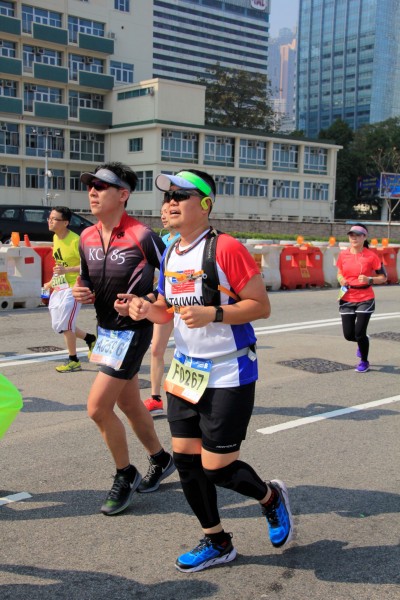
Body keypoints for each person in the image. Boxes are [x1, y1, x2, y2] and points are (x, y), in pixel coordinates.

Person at [127, 169, 293, 572]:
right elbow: (167, 308)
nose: (169, 203)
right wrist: (146, 309)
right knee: (186, 463)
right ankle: (217, 541)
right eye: (167, 197)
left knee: (217, 468)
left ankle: (270, 497)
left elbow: (260, 306)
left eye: (179, 196)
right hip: (186, 373)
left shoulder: (226, 248)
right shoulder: (170, 250)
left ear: (205, 204)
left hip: (228, 371)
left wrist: (214, 313)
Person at [72, 162, 175, 516]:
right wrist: (81, 290)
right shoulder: (86, 236)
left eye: (102, 186)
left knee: (98, 408)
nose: (93, 191)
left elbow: (173, 277)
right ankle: (161, 459)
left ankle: (125, 474)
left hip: (133, 331)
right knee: (129, 403)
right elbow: (85, 279)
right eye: (91, 185)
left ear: (123, 194)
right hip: (106, 331)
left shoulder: (142, 235)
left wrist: (147, 301)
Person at [43, 206, 96, 373]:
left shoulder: (76, 241)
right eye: (49, 218)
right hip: (60, 286)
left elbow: (88, 265)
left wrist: (67, 270)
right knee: (58, 325)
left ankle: (74, 361)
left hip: (75, 287)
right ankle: (90, 338)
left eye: (54, 219)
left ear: (65, 223)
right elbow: (59, 264)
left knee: (66, 324)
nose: (50, 221)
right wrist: (50, 282)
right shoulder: (56, 238)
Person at [144, 200, 179, 416]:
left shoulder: (190, 240)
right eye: (162, 212)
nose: (164, 216)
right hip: (164, 302)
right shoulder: (162, 241)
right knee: (156, 349)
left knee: (192, 350)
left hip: (187, 305)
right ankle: (156, 399)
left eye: (169, 212)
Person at [337, 223, 387, 373]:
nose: (354, 238)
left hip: (365, 297)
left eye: (358, 235)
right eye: (351, 235)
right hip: (347, 296)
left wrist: (369, 279)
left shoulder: (371, 256)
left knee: (359, 332)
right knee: (349, 335)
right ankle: (363, 340)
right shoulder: (343, 255)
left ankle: (364, 361)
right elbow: (339, 272)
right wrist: (341, 279)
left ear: (364, 237)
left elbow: (383, 277)